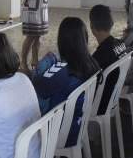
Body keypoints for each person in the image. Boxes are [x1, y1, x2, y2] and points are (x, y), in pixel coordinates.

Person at [31, 17, 101, 146]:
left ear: (62, 42)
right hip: (78, 125)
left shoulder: (62, 72)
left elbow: (35, 88)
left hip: (58, 133)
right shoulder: (92, 63)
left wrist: (43, 62)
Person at [89, 5, 130, 115]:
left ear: (92, 27)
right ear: (111, 24)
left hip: (101, 104)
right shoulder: (121, 44)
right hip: (115, 96)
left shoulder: (98, 56)